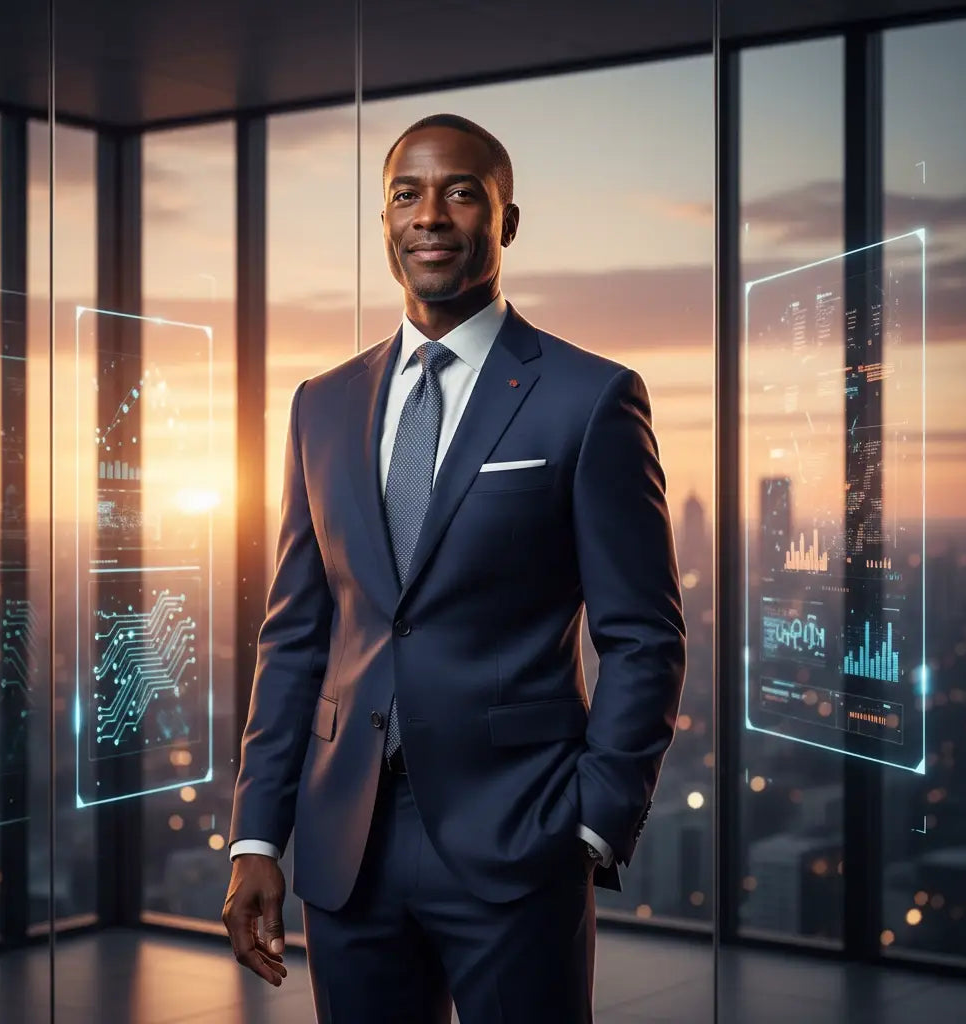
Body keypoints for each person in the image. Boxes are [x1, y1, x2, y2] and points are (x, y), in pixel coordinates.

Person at [222, 112, 687, 1023]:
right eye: (407, 194)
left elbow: (643, 637)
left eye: (461, 190)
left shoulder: (588, 398)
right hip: (345, 841)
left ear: (507, 221)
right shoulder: (321, 405)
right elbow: (296, 637)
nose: (430, 213)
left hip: (519, 835)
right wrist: (255, 836)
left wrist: (591, 823)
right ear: (386, 224)